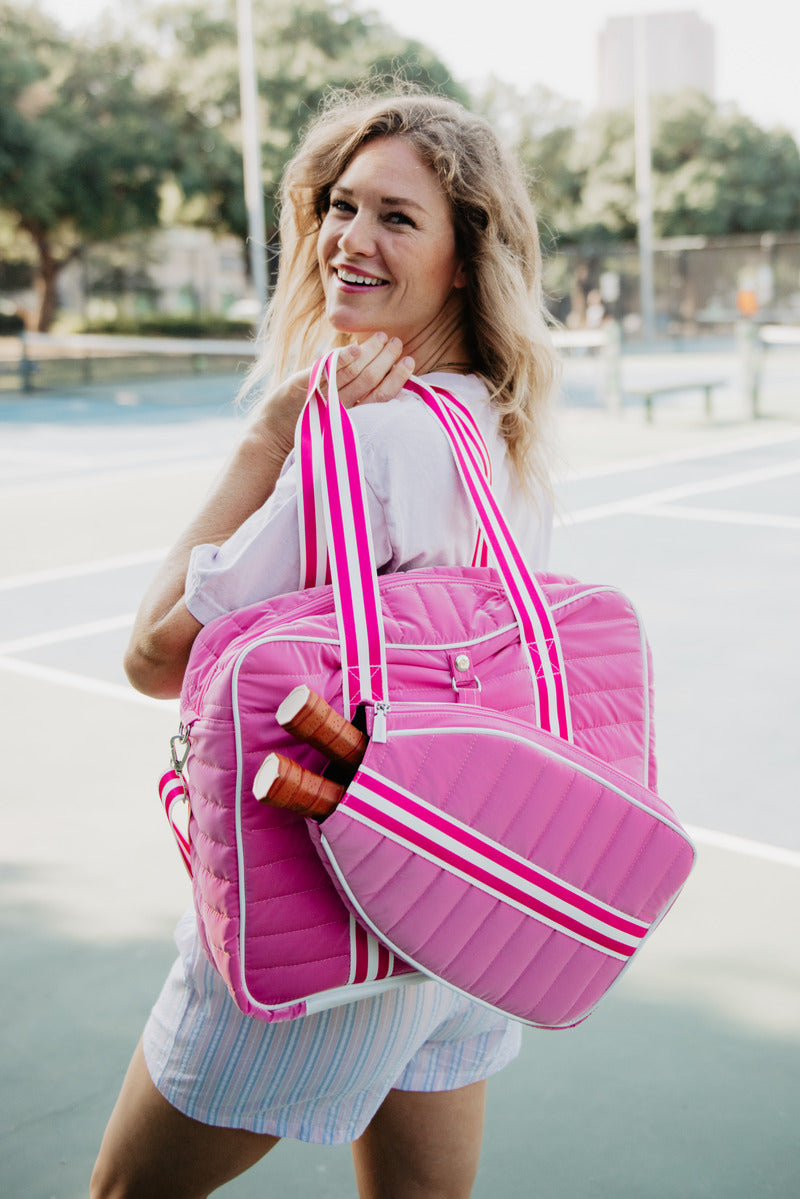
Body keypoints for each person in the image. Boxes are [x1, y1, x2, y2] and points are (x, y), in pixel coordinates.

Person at [91, 87, 559, 1199]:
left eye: (397, 217)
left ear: (462, 257)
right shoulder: (496, 425)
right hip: (466, 899)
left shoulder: (368, 449)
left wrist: (267, 436)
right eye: (341, 206)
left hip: (328, 916)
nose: (349, 238)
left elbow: (153, 655)